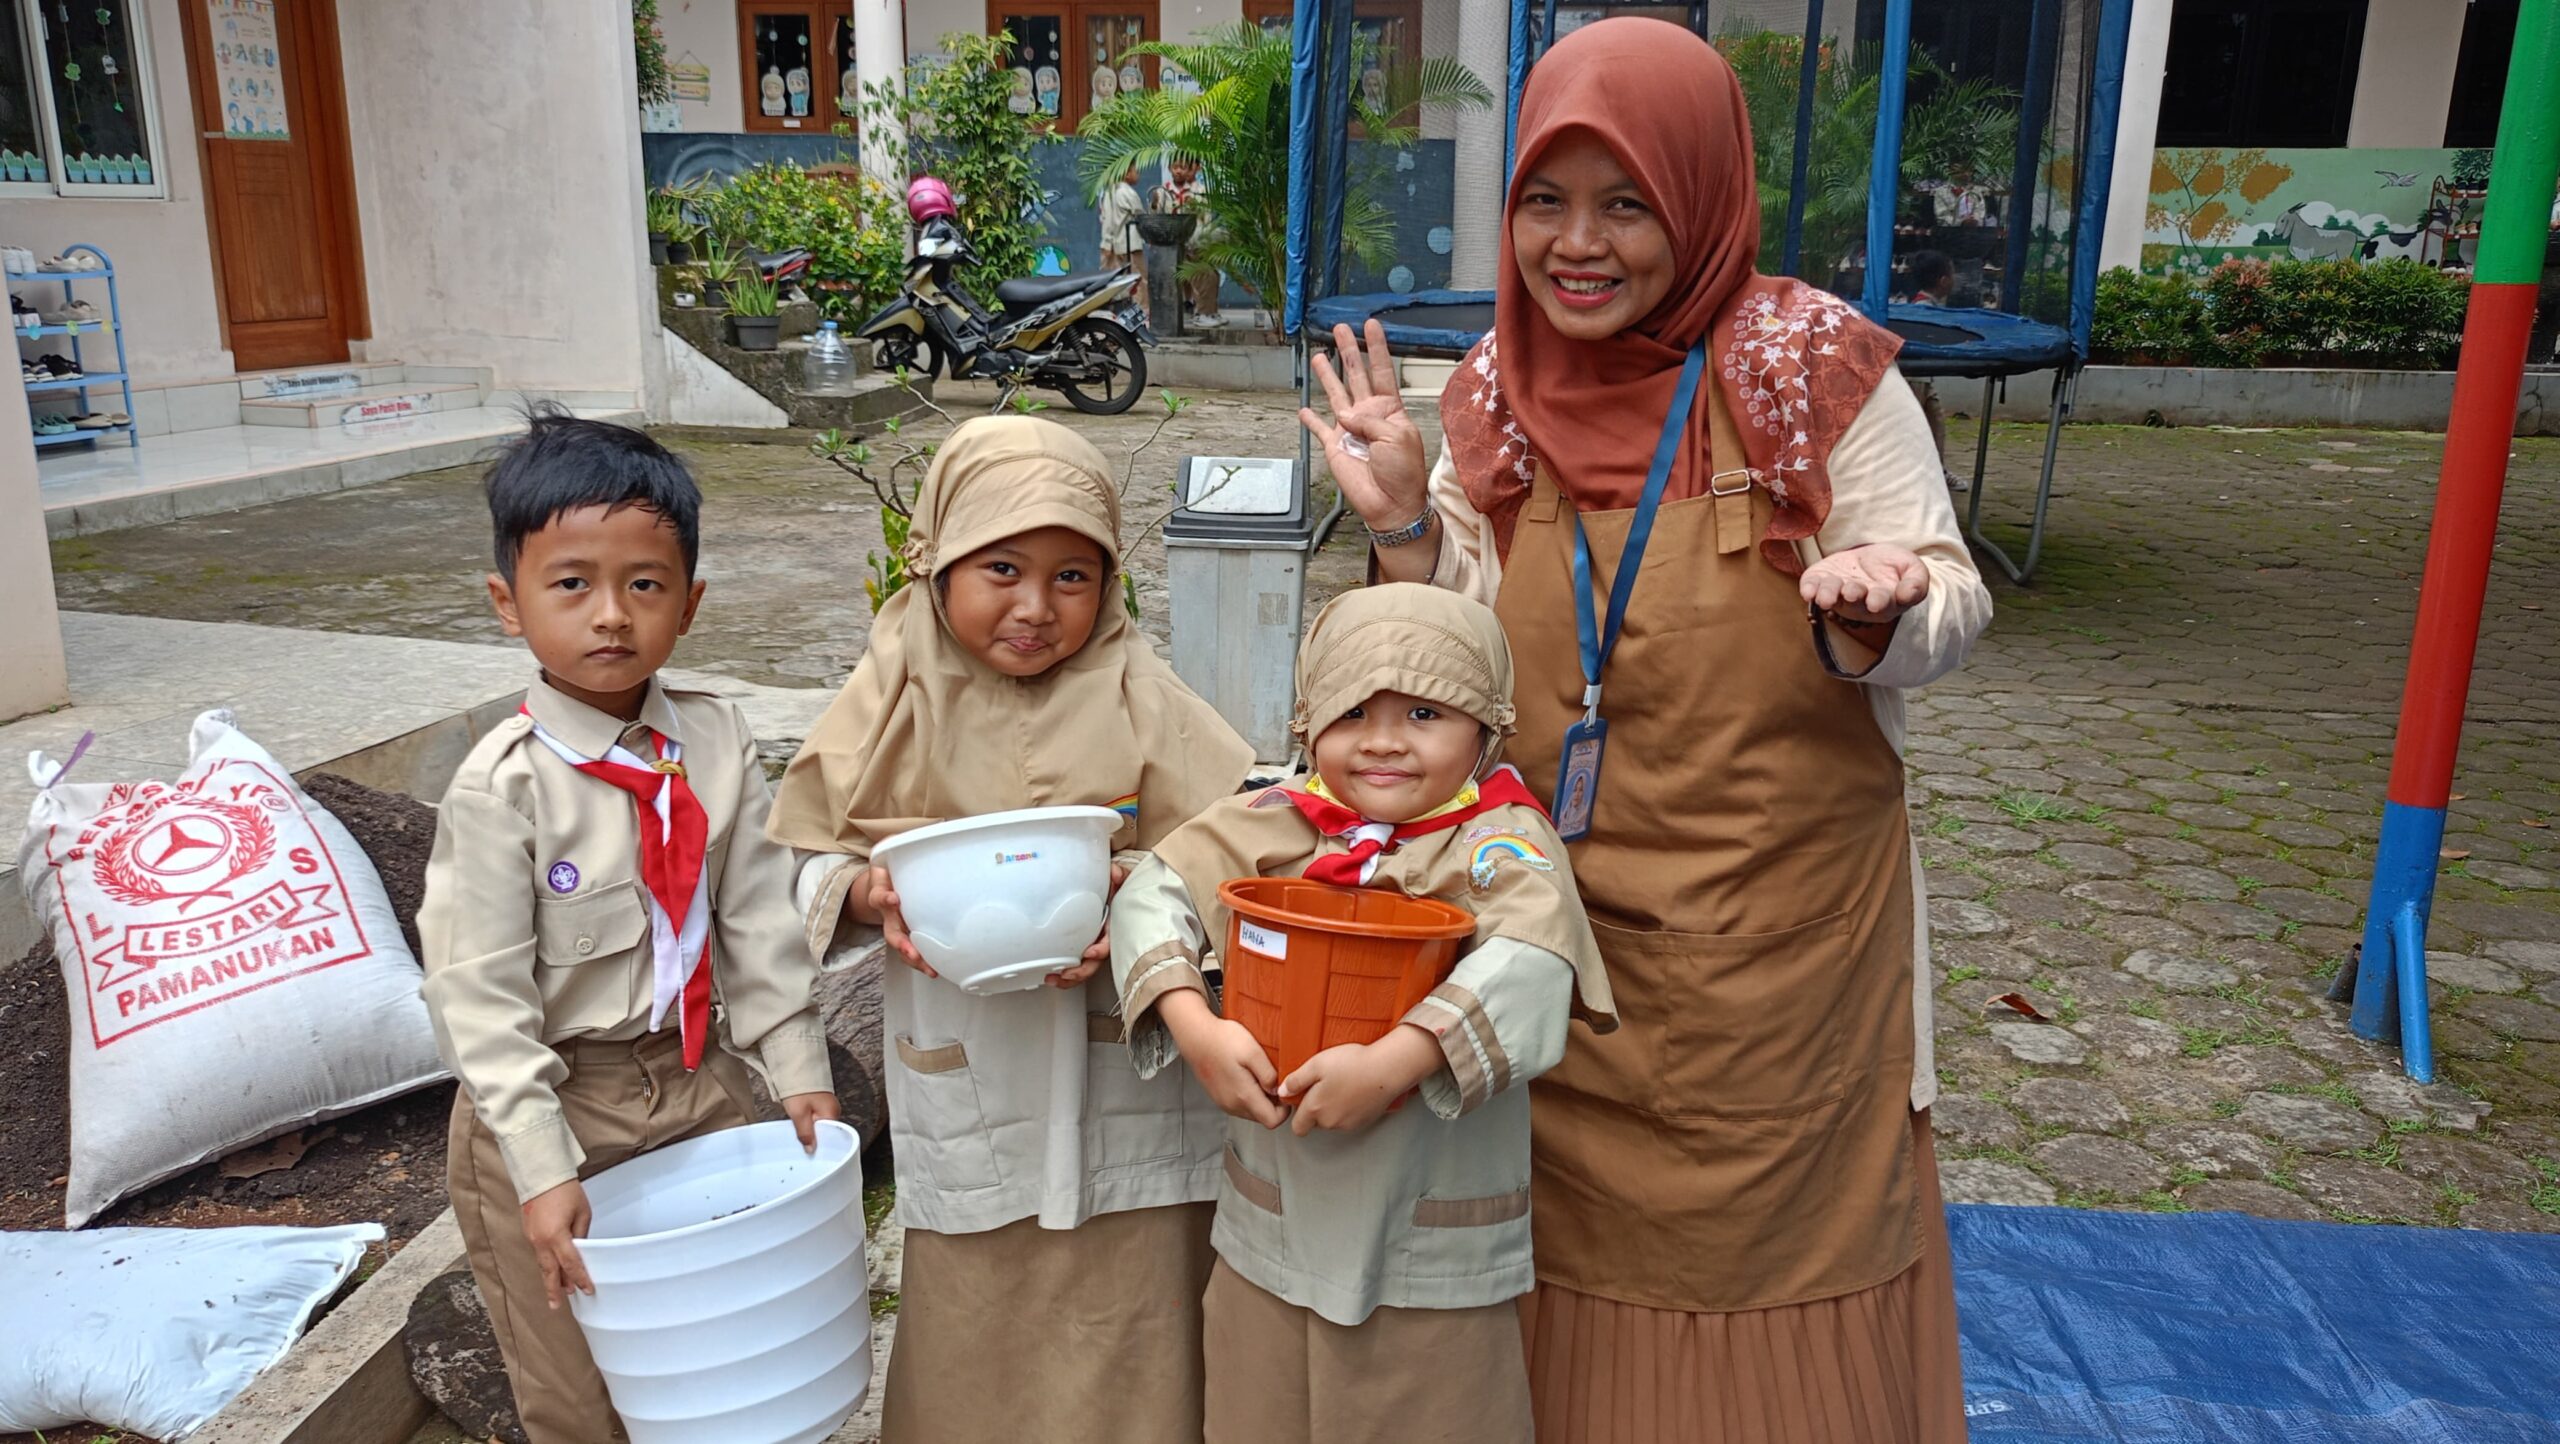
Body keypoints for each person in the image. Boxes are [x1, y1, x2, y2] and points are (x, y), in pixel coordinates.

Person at [1297, 19, 1992, 1444]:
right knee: (1557, 1277)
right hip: (1560, 941)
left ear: (1701, 194)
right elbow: (1471, 651)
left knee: (1782, 1280)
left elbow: (1952, 596)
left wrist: (1879, 606)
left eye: (1627, 203)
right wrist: (1405, 530)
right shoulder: (1494, 388)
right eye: (1546, 201)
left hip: (1786, 962)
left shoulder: (1814, 367)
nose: (1579, 244)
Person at [766, 416, 1256, 1444]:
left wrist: (1133, 894)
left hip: (1126, 1072)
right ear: (938, 562)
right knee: (983, 1304)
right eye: (1001, 566)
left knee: (1141, 1292)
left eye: (1073, 575)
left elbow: (1232, 855)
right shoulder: (892, 693)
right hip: (973, 1065)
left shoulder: (1141, 693)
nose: (1036, 607)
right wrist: (867, 896)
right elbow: (803, 858)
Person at [420, 410, 839, 1444]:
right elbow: (480, 1001)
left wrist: (796, 1065)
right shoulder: (498, 792)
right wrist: (542, 1166)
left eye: (644, 584)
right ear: (506, 604)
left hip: (698, 1083)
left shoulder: (715, 739)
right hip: (554, 1102)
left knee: (723, 1355)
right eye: (571, 583)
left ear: (689, 603)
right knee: (580, 1386)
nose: (610, 614)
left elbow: (753, 918)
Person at [1110, 584, 1613, 1444]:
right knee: (1259, 1392)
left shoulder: (1502, 843)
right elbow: (1154, 890)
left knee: (1425, 1397)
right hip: (1277, 1192)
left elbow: (1533, 956)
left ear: (1489, 725)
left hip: (1426, 1207)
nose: (1382, 741)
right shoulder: (1278, 819)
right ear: (1309, 721)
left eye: (1423, 711)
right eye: (1350, 711)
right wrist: (1195, 1024)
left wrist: (1397, 1062)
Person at [1902, 250, 1965, 490]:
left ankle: (1937, 471)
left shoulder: (1930, 306)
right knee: (1917, 426)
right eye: (1952, 273)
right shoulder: (1922, 309)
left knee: (1936, 422)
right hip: (1915, 376)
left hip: (1923, 377)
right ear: (1943, 281)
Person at [1153, 156, 1225, 328]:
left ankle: (1205, 312)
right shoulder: (1163, 192)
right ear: (1169, 168)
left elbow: (1205, 218)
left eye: (1183, 167)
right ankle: (1194, 310)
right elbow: (1156, 217)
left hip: (1195, 241)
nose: (1178, 171)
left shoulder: (1199, 191)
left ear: (1190, 169)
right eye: (1175, 166)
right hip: (1172, 244)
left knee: (1205, 276)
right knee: (1181, 278)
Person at [1099, 162, 1146, 310]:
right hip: (1130, 244)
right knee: (1138, 280)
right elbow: (1140, 216)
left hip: (1116, 244)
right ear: (1127, 174)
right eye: (1135, 171)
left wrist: (1107, 243)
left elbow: (1107, 220)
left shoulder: (1110, 192)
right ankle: (1142, 313)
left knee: (1117, 282)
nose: (1138, 175)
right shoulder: (1127, 192)